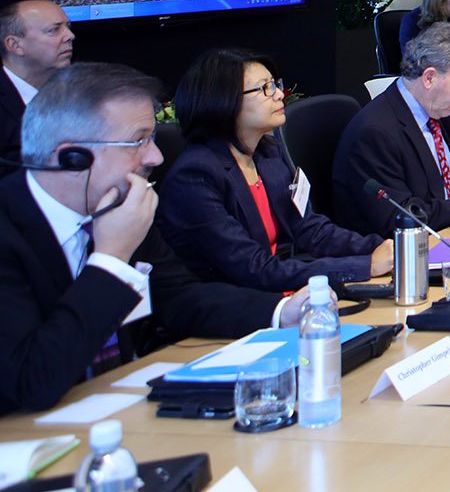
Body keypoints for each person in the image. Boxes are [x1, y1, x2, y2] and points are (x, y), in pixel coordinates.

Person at [0, 64, 299, 415]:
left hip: (114, 410)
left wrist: (282, 311)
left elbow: (180, 298)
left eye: (152, 138)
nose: (156, 156)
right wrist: (111, 260)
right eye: (137, 141)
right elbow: (28, 382)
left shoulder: (116, 204)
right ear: (72, 157)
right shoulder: (11, 230)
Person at [159, 49, 392, 290]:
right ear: (224, 101)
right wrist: (365, 266)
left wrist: (381, 247)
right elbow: (253, 268)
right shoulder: (196, 177)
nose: (280, 94)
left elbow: (311, 230)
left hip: (277, 287)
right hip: (235, 300)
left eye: (274, 84)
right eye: (265, 88)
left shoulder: (267, 153)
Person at [332, 23, 450, 235]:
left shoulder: (428, 110)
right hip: (406, 248)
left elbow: (438, 177)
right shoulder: (375, 133)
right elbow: (404, 216)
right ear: (429, 78)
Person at [1, 0, 73, 165]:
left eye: (68, 27)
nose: (70, 35)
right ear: (15, 45)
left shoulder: (80, 92)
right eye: (54, 30)